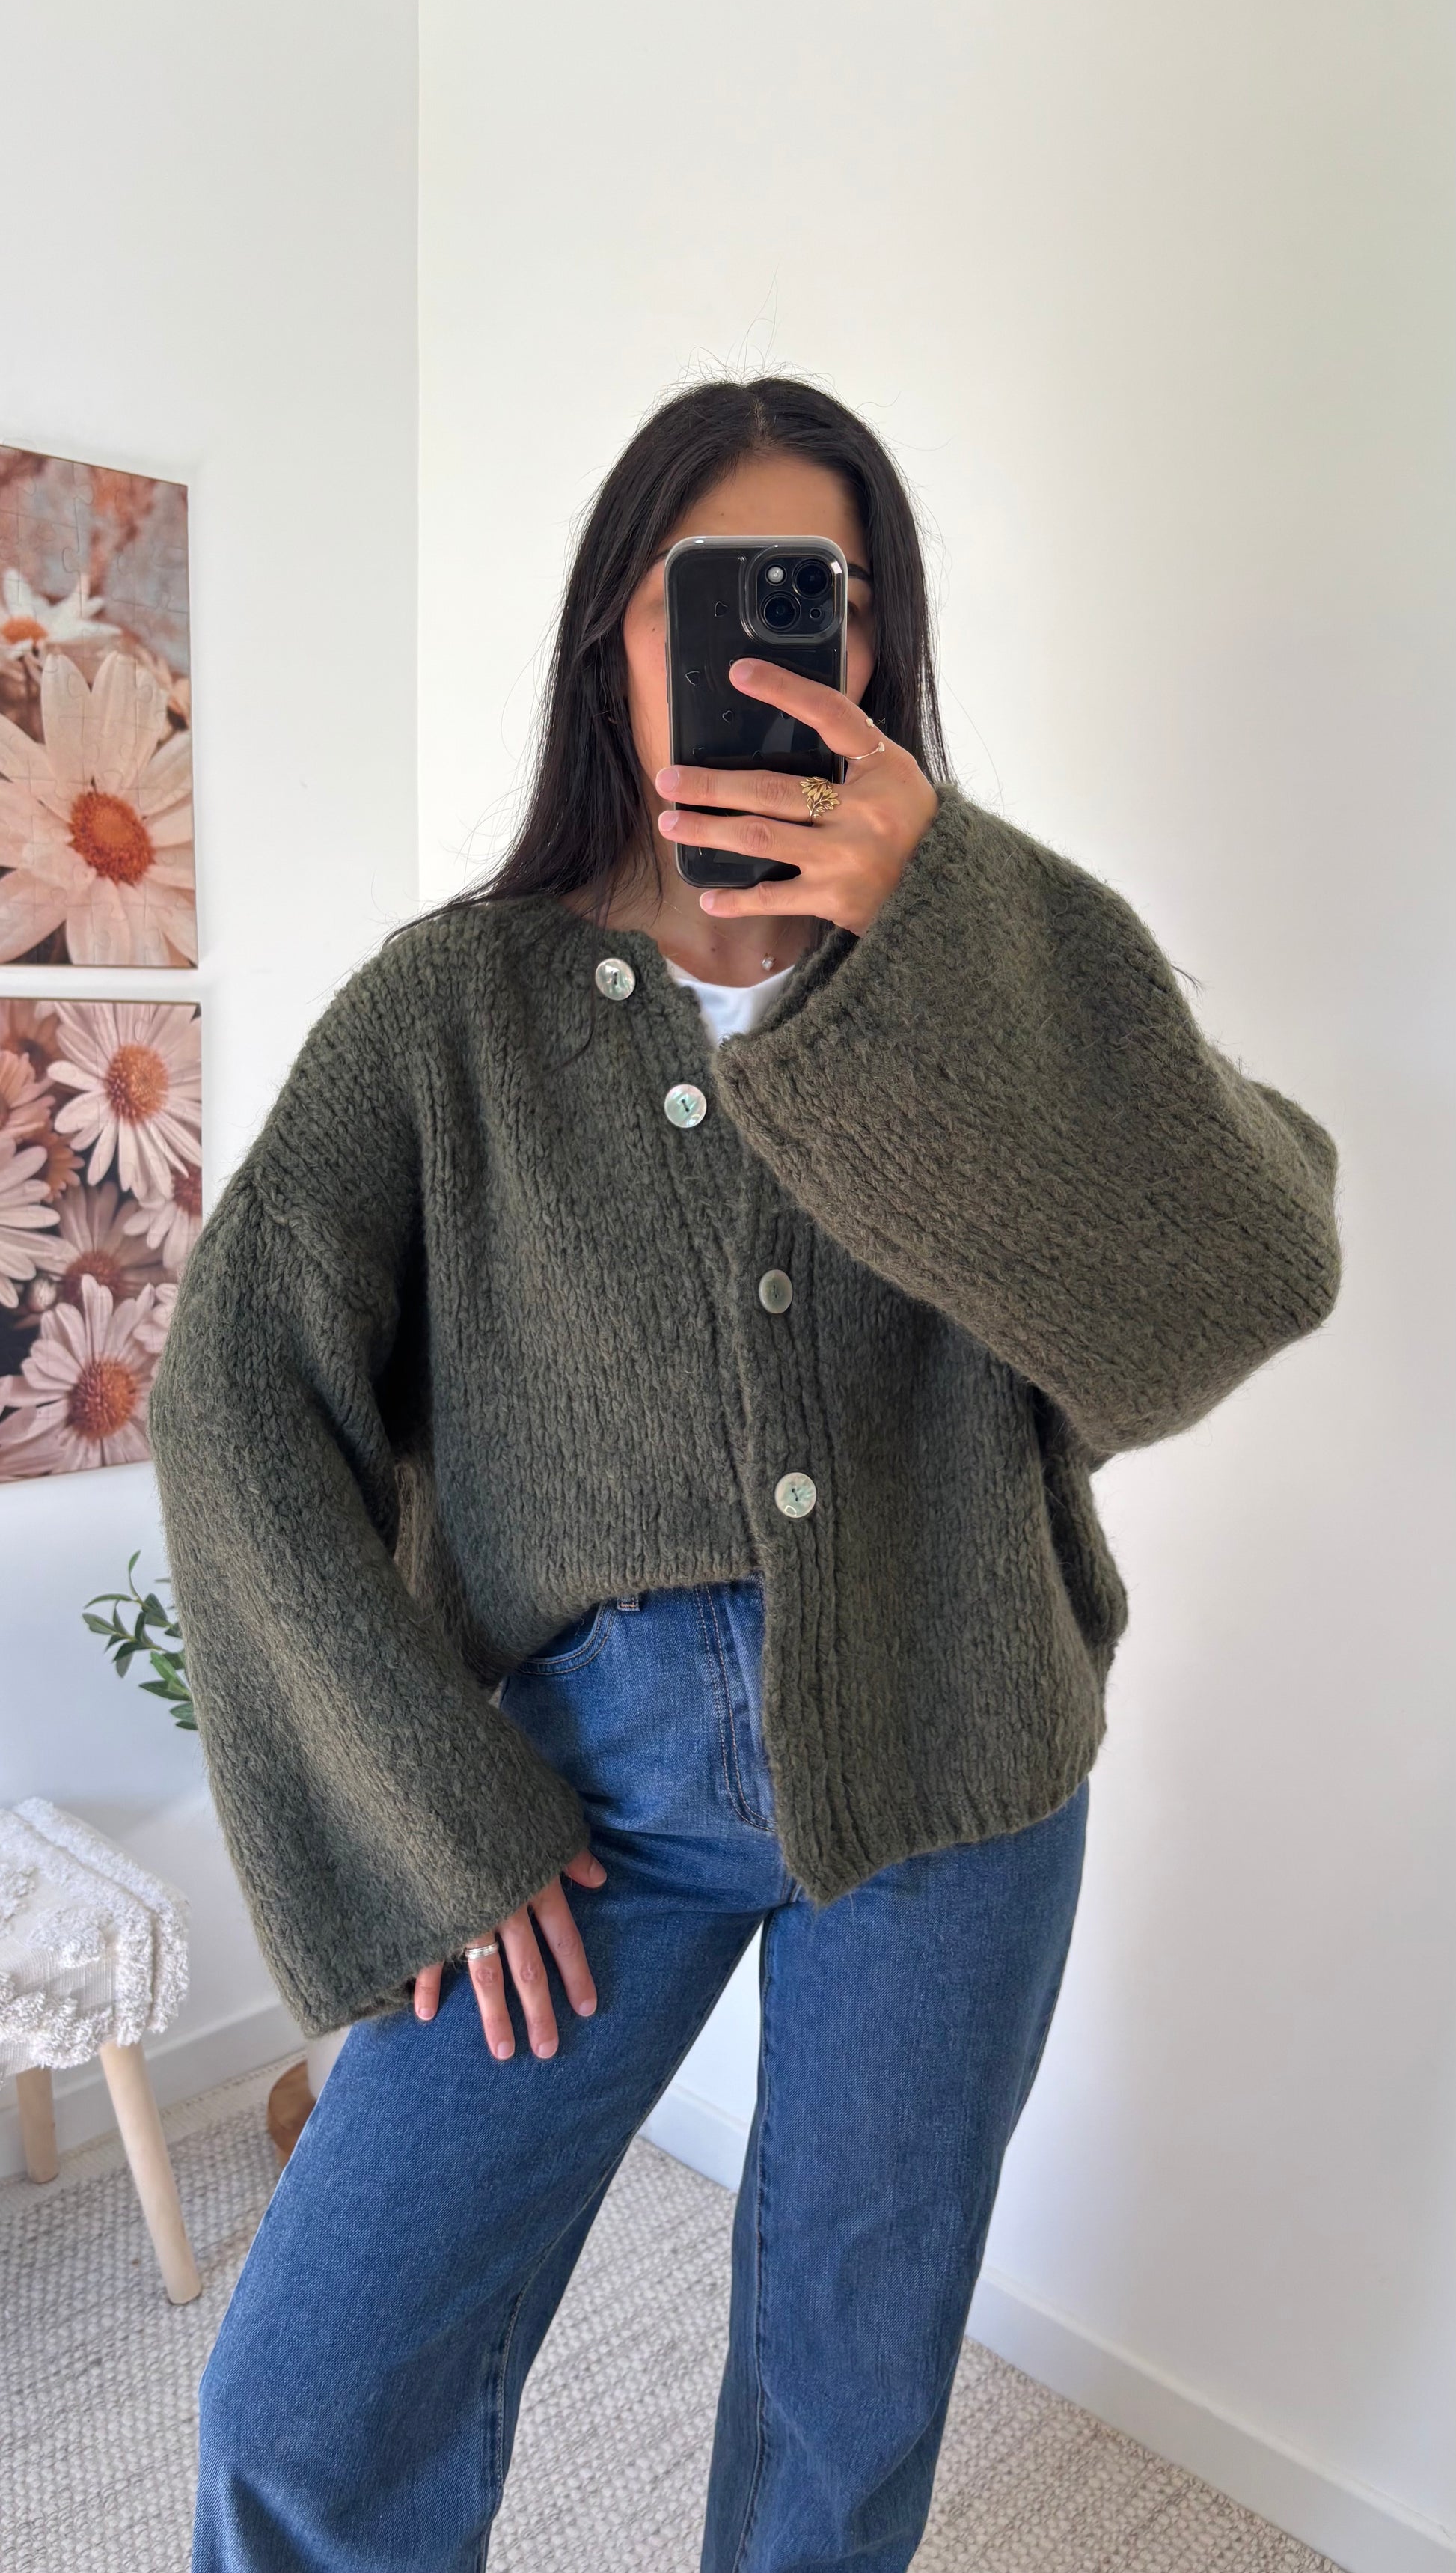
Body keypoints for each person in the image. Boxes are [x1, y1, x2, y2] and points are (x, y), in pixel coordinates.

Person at [149, 376, 1342, 2573]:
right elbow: (231, 1400)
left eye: (836, 598)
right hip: (579, 1793)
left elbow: (1250, 1269)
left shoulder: (976, 954)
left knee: (845, 2402)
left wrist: (947, 925)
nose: (790, 645)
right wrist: (430, 1809)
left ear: (884, 643)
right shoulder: (452, 1010)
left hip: (958, 1755)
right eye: (718, 594)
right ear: (615, 629)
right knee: (307, 2396)